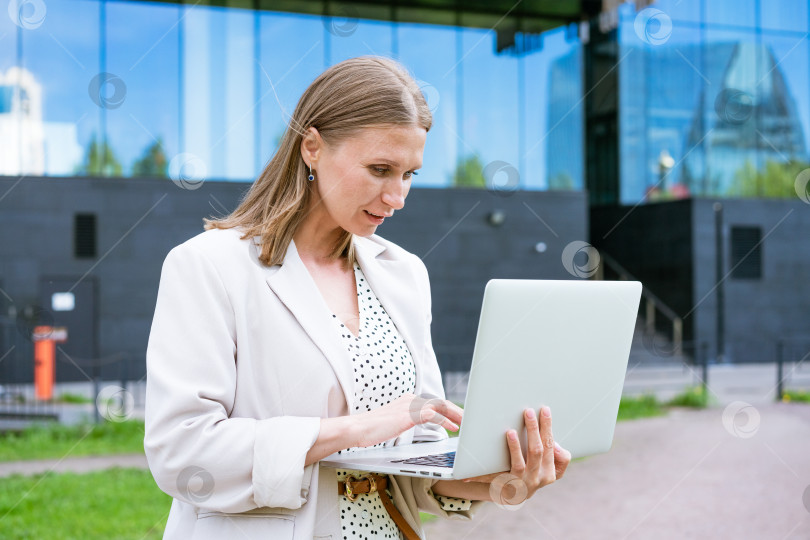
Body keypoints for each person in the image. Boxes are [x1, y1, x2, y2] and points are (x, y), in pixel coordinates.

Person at [144, 55, 572, 540]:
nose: (398, 196)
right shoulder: (209, 266)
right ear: (312, 148)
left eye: (409, 174)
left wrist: (497, 479)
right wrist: (358, 430)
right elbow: (181, 456)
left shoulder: (404, 275)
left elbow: (416, 463)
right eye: (380, 169)